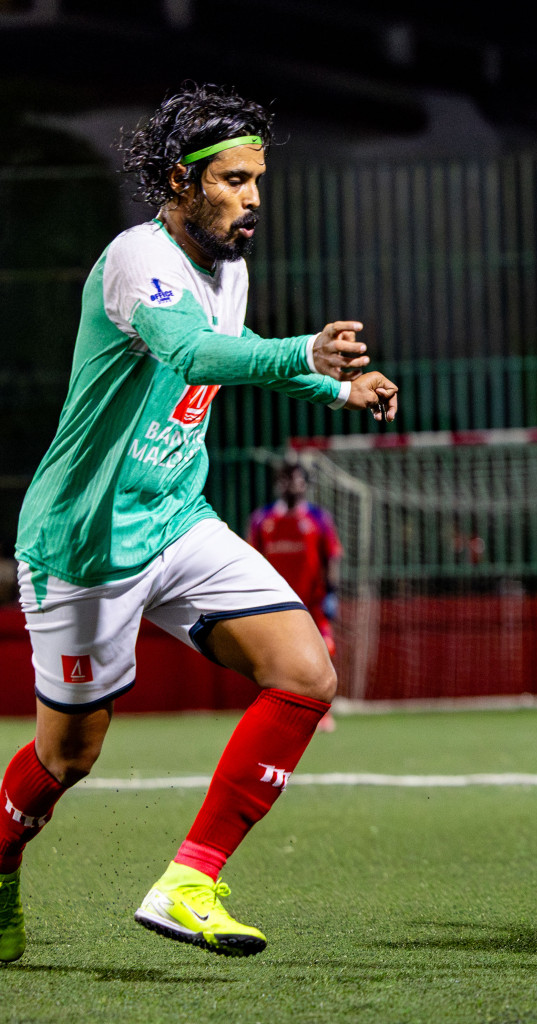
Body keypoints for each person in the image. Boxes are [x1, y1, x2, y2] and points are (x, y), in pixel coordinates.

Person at [0, 83, 399, 964]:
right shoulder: (135, 262)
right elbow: (193, 351)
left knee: (304, 672)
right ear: (181, 182)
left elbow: (230, 354)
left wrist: (335, 387)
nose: (254, 197)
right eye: (234, 180)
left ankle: (190, 879)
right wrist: (304, 352)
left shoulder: (231, 267)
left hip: (179, 517)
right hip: (87, 543)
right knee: (66, 758)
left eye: (258, 179)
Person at [247, 462, 342, 732]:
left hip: (313, 604)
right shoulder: (261, 520)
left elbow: (332, 556)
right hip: (276, 606)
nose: (292, 485)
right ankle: (281, 713)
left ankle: (322, 712)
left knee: (325, 652)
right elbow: (252, 558)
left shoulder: (318, 519)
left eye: (298, 480)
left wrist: (331, 593)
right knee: (277, 660)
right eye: (287, 480)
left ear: (305, 484)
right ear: (279, 484)